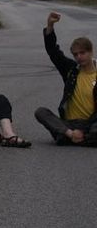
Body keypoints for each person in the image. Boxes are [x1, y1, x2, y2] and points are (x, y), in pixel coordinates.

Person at [35, 11, 97, 146]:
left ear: (91, 52)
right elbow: (53, 52)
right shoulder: (71, 71)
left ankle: (70, 137)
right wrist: (50, 26)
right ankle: (71, 136)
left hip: (92, 122)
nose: (79, 57)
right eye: (76, 54)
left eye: (82, 53)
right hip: (69, 124)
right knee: (41, 112)